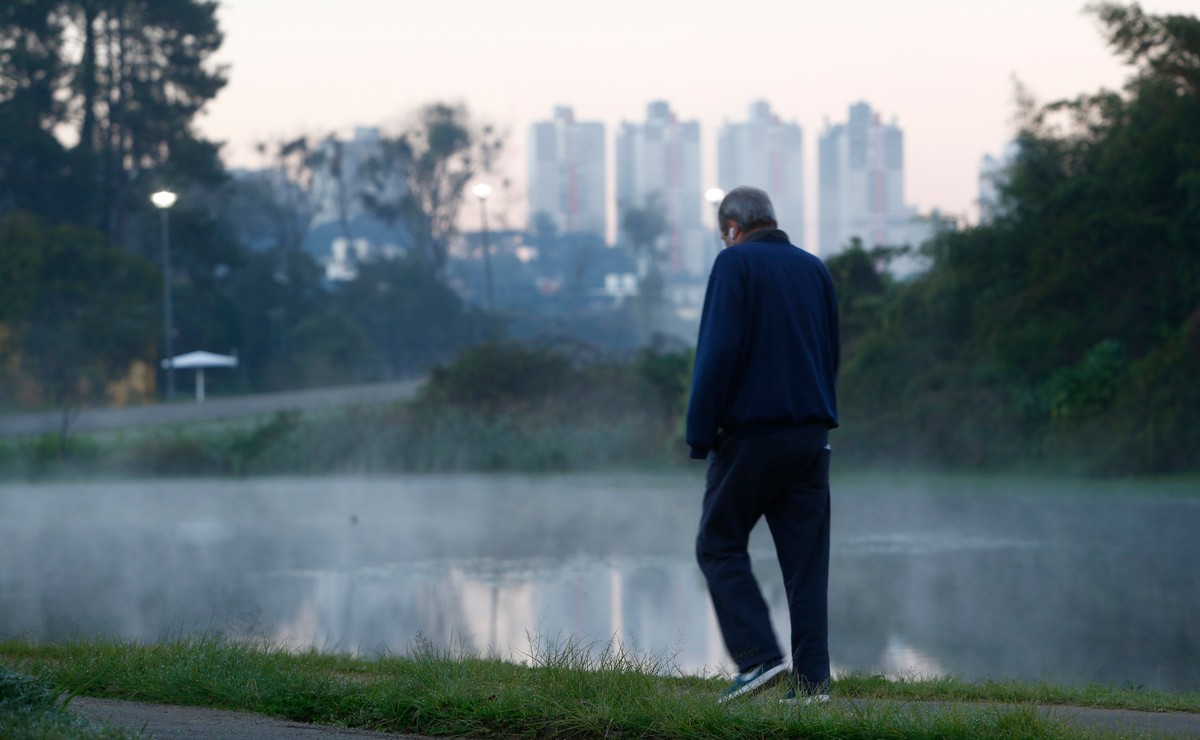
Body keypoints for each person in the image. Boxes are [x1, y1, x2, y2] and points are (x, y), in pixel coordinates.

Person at [686, 186, 839, 704]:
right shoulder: (814, 268)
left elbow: (718, 352)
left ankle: (758, 658)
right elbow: (830, 349)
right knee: (806, 566)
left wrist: (700, 433)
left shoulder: (735, 265)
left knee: (718, 543)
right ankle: (813, 682)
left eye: (723, 234)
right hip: (811, 437)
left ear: (732, 227)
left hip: (752, 437)